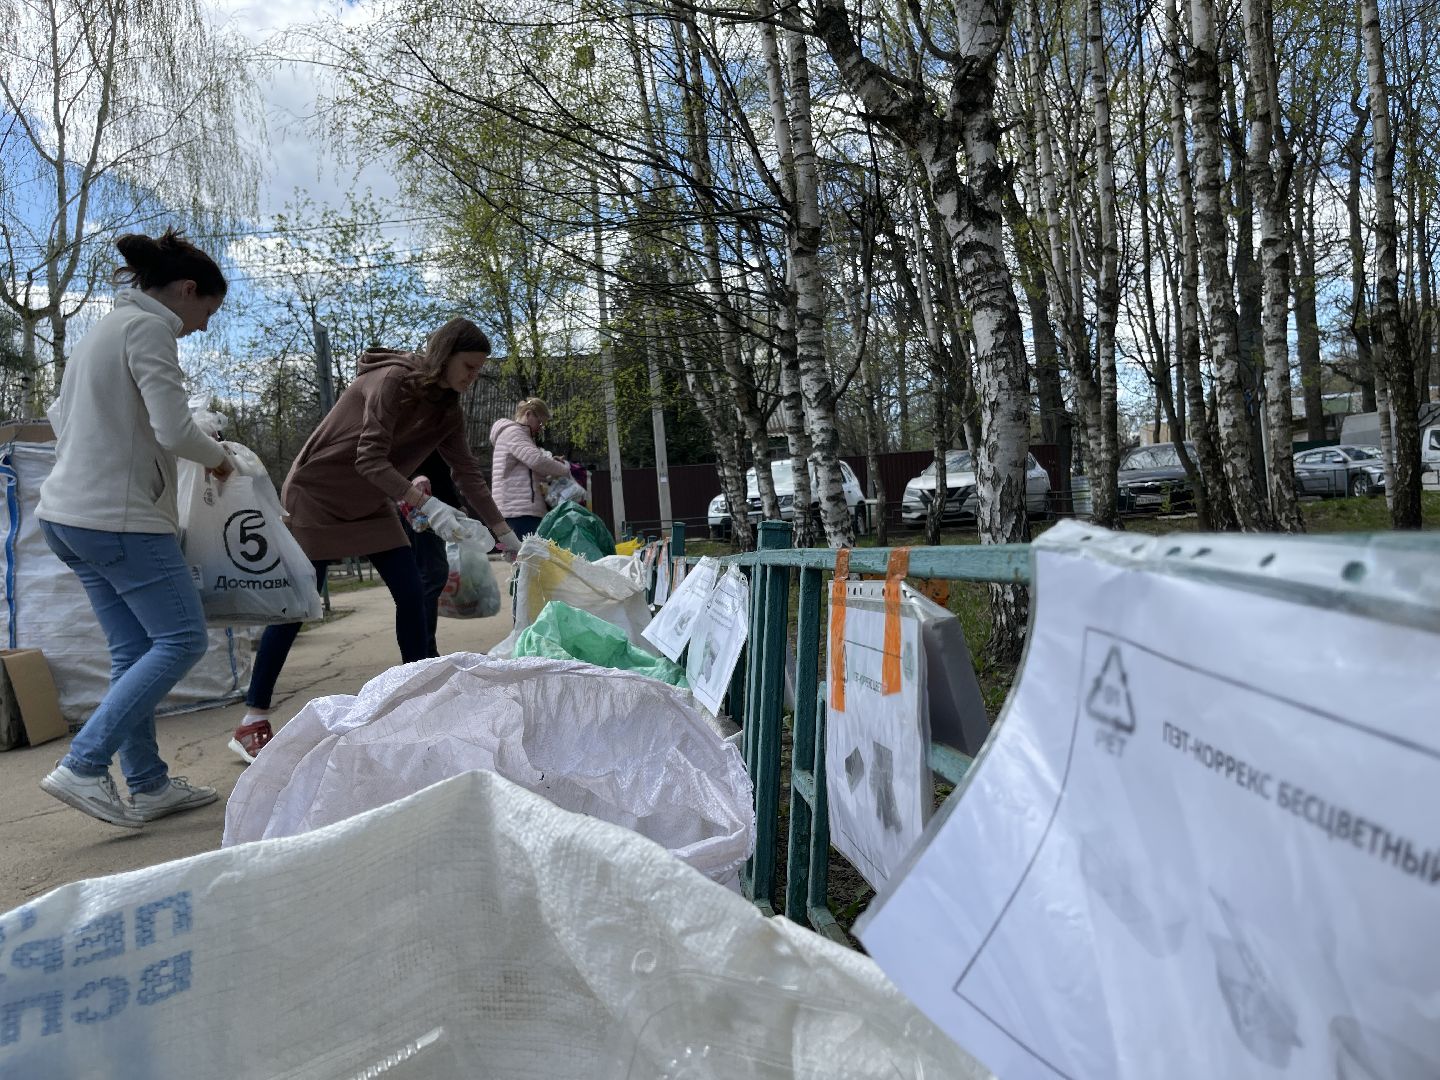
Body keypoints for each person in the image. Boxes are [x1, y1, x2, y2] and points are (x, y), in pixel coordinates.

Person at [229, 318, 520, 762]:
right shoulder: (392, 382)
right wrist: (426, 504)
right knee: (298, 607)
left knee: (411, 590)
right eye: (469, 366)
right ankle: (252, 719)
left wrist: (505, 534)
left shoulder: (447, 411)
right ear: (445, 356)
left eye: (479, 369)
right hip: (318, 493)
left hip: (370, 500)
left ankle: (415, 697)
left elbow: (467, 473)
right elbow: (369, 457)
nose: (473, 377)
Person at [36, 229, 235, 827]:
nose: (202, 326)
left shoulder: (103, 330)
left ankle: (148, 785)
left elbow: (61, 417)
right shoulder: (150, 329)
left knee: (134, 653)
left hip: (67, 518)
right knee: (182, 640)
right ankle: (84, 764)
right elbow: (174, 430)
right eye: (207, 311)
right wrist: (220, 458)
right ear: (187, 290)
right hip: (117, 519)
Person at [490, 397, 571, 541]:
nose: (540, 428)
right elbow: (536, 461)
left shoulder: (521, 436)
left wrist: (552, 462)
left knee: (528, 559)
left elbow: (531, 466)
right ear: (528, 414)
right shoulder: (514, 433)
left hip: (519, 509)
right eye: (540, 422)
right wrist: (564, 469)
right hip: (519, 510)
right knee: (530, 559)